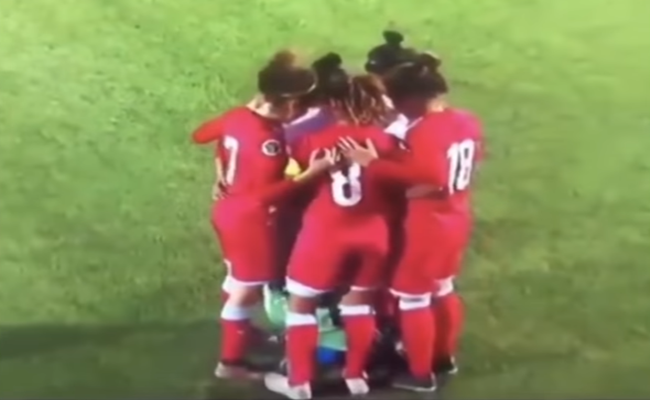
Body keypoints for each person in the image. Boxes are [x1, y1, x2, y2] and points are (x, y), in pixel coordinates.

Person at [340, 51, 483, 392]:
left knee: (412, 297)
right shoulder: (465, 120)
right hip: (456, 216)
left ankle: (420, 374)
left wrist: (373, 163)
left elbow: (430, 176)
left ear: (413, 98)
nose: (397, 108)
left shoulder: (426, 130)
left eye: (398, 100)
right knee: (443, 289)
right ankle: (443, 357)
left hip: (428, 225)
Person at [191, 50, 337, 380]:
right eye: (297, 104)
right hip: (249, 220)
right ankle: (230, 363)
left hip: (227, 211)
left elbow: (201, 135)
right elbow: (264, 195)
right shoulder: (267, 140)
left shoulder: (237, 116)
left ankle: (242, 332)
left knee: (236, 279)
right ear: (287, 102)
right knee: (246, 290)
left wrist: (221, 171)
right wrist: (311, 173)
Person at [263, 53, 399, 400]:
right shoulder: (386, 141)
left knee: (302, 306)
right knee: (359, 305)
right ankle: (356, 377)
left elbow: (295, 186)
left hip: (326, 234)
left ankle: (299, 384)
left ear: (335, 103)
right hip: (373, 234)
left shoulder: (314, 140)